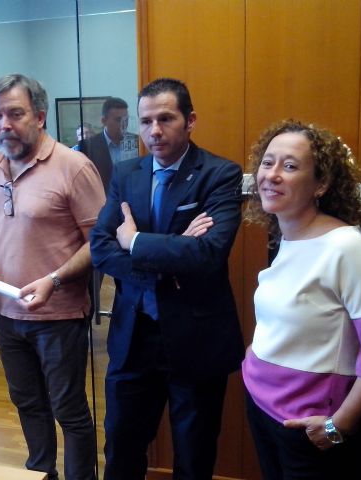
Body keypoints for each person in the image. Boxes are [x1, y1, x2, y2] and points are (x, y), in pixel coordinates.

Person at [89, 77, 245, 479]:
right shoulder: (127, 173)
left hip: (195, 338)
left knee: (193, 457)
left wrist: (135, 241)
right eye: (146, 121)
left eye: (165, 119)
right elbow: (101, 247)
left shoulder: (220, 174)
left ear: (189, 120)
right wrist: (168, 258)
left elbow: (208, 253)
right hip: (133, 337)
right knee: (121, 450)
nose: (154, 131)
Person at [0, 74, 105, 480]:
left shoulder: (74, 167)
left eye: (15, 114)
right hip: (7, 315)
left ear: (39, 117)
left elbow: (100, 242)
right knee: (27, 403)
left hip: (59, 316)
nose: (5, 124)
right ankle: (40, 473)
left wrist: (54, 280)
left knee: (69, 411)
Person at [242, 119, 361, 479]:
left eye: (290, 166)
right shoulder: (288, 235)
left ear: (321, 184)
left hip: (307, 425)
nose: (272, 175)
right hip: (261, 404)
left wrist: (338, 426)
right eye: (267, 163)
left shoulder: (349, 249)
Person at [79, 96, 139, 192]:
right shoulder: (88, 146)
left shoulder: (137, 142)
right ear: (104, 121)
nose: (124, 124)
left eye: (126, 120)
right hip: (103, 198)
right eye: (118, 120)